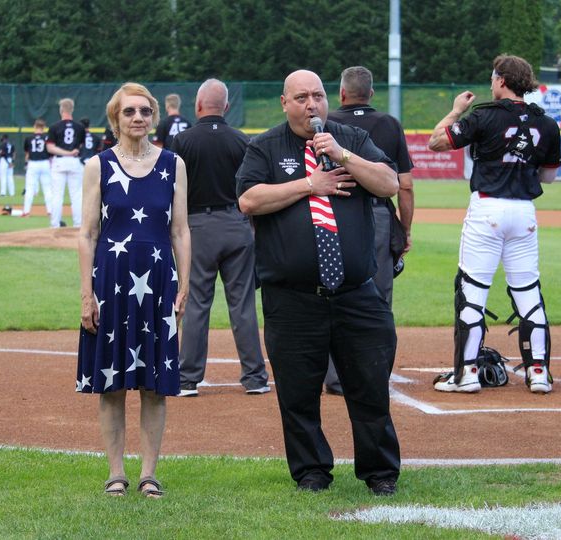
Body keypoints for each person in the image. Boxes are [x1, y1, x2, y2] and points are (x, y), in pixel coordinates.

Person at [236, 69, 401, 496]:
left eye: (318, 96)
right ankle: (311, 472)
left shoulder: (351, 138)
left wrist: (343, 155)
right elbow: (249, 199)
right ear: (285, 102)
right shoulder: (265, 147)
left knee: (369, 386)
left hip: (356, 295)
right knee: (298, 393)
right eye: (302, 97)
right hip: (292, 298)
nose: (312, 105)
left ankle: (380, 472)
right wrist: (310, 184)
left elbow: (389, 182)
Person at [77, 82, 191, 498]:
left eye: (145, 111)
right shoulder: (99, 166)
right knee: (111, 385)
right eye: (129, 112)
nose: (138, 118)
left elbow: (180, 230)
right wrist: (87, 294)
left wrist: (185, 285)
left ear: (154, 117)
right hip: (111, 283)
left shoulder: (173, 164)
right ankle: (115, 474)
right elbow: (87, 234)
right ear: (115, 118)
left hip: (159, 284)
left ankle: (148, 474)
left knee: (153, 383)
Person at [428, 54, 561, 394]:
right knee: (528, 291)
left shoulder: (483, 114)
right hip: (524, 213)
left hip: (487, 207)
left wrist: (457, 109)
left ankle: (467, 373)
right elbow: (549, 175)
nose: (491, 83)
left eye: (493, 77)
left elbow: (437, 141)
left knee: (472, 290)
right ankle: (539, 373)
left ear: (502, 80)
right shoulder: (546, 123)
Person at [172, 79, 270, 397]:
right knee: (242, 305)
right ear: (225, 107)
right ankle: (254, 378)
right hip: (237, 223)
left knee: (197, 303)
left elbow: (172, 192)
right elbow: (255, 189)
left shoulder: (181, 141)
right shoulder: (243, 141)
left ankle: (187, 379)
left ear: (198, 106)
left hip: (197, 227)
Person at [325, 65, 415, 395]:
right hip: (377, 217)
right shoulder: (388, 124)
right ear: (372, 94)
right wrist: (404, 230)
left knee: (332, 295)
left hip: (333, 214)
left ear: (342, 94)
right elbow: (404, 186)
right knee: (378, 300)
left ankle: (334, 379)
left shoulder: (328, 124)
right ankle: (375, 375)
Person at [47, 98, 86, 228]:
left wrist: (65, 152)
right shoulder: (80, 127)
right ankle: (78, 224)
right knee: (76, 195)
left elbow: (50, 148)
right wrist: (71, 152)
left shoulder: (54, 127)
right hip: (75, 162)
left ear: (61, 110)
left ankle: (55, 225)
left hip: (59, 161)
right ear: (72, 109)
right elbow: (80, 146)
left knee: (57, 195)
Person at [22, 119, 53, 217]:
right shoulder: (47, 137)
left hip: (33, 164)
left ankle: (26, 212)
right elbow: (50, 152)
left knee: (30, 188)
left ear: (34, 126)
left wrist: (26, 163)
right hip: (45, 163)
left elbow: (27, 153)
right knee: (47, 189)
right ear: (43, 128)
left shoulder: (29, 138)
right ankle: (50, 211)